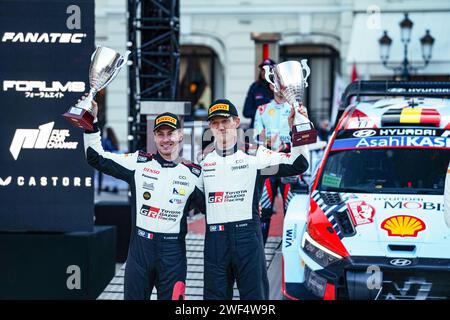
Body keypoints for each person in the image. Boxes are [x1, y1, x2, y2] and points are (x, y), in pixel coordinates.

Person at [82, 96, 204, 300]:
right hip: (141, 250)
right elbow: (96, 157)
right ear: (154, 137)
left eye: (170, 133)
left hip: (173, 252)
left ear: (180, 136)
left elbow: (214, 205)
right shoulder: (138, 163)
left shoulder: (194, 174)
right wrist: (91, 122)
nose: (166, 139)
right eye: (160, 134)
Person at [196, 99, 310, 300]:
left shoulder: (255, 154)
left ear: (237, 122)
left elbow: (298, 164)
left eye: (226, 120)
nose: (221, 126)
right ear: (210, 127)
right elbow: (195, 201)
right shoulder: (204, 161)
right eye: (215, 122)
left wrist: (298, 128)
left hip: (247, 239)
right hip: (215, 241)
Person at [253, 84, 298, 245]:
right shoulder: (262, 110)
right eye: (277, 86)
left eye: (284, 86)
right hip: (269, 165)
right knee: (264, 211)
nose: (280, 90)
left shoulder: (295, 109)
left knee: (290, 211)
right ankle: (260, 252)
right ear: (272, 86)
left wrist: (288, 144)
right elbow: (256, 136)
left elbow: (303, 136)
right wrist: (265, 141)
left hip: (288, 166)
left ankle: (289, 251)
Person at [243, 59, 275, 128]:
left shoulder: (278, 87)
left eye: (267, 70)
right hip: (257, 129)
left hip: (275, 129)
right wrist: (263, 111)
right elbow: (246, 112)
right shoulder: (254, 87)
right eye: (262, 70)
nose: (264, 72)